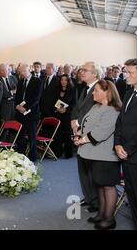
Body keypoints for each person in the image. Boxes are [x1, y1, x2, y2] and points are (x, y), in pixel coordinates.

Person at [74, 80, 121, 230]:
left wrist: (82, 140)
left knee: (108, 186)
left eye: (96, 90)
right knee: (99, 185)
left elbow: (101, 132)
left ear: (106, 92)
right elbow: (86, 124)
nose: (93, 93)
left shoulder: (112, 110)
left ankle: (109, 218)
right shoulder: (96, 106)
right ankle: (102, 213)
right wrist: (78, 133)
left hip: (106, 156)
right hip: (93, 154)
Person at [71, 62, 102, 212]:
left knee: (91, 169)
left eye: (85, 70)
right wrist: (73, 122)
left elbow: (99, 112)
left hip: (90, 134)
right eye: (81, 69)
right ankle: (88, 197)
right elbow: (77, 108)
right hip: (79, 131)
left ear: (94, 73)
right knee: (82, 167)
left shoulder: (101, 87)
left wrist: (80, 127)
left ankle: (96, 201)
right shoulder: (84, 88)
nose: (81, 72)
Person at [114, 58, 137, 229]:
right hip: (125, 154)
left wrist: (127, 149)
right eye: (125, 72)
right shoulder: (129, 92)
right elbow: (120, 122)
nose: (126, 76)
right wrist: (117, 144)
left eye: (130, 72)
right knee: (133, 199)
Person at [14, 63, 41, 162]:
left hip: (31, 114)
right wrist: (17, 106)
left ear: (29, 70)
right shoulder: (21, 81)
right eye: (21, 72)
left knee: (32, 136)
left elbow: (36, 97)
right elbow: (17, 97)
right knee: (20, 136)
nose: (23, 73)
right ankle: (21, 156)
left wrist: (26, 108)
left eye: (24, 71)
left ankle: (33, 157)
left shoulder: (37, 81)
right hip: (20, 114)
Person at [53, 74, 75, 158]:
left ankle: (68, 154)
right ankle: (58, 153)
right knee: (58, 134)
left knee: (67, 134)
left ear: (68, 81)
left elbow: (74, 103)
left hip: (67, 115)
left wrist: (66, 109)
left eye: (65, 80)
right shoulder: (56, 90)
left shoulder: (72, 90)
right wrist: (57, 109)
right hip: (58, 114)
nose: (63, 81)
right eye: (62, 80)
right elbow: (53, 101)